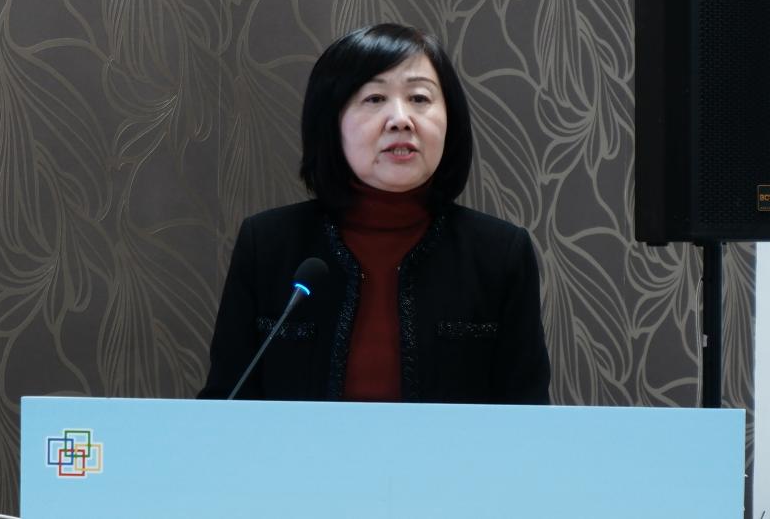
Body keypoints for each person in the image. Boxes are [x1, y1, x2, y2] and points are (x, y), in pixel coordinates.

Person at [198, 23, 550, 404]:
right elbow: (224, 404)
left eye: (419, 98)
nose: (400, 119)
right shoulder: (268, 246)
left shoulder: (499, 254)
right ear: (331, 121)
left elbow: (528, 418)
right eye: (375, 98)